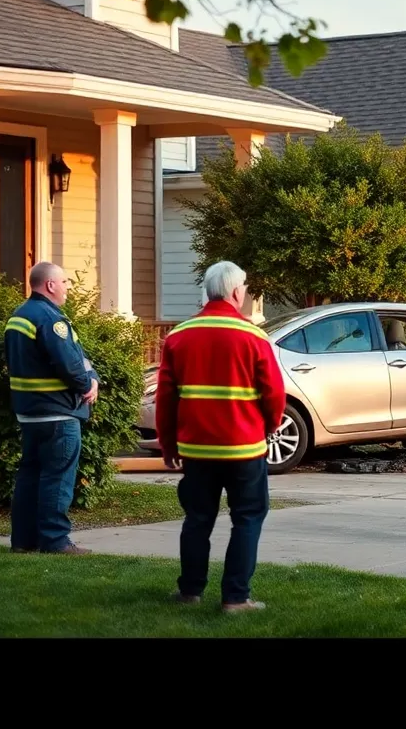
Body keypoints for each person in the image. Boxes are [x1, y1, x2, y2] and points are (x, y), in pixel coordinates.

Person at [156, 260, 286, 613]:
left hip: (196, 449)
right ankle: (235, 598)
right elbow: (274, 395)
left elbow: (165, 398)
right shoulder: (254, 337)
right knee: (247, 518)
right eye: (244, 288)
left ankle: (189, 592)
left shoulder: (179, 336)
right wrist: (268, 427)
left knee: (197, 519)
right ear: (235, 292)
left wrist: (169, 444)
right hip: (244, 448)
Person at [4, 261, 100, 555]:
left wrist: (89, 375)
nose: (68, 288)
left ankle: (23, 541)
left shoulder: (19, 317)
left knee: (30, 476)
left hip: (29, 412)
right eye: (65, 282)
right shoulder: (51, 319)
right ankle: (56, 541)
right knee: (57, 478)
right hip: (58, 412)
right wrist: (88, 384)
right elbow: (70, 362)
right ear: (50, 285)